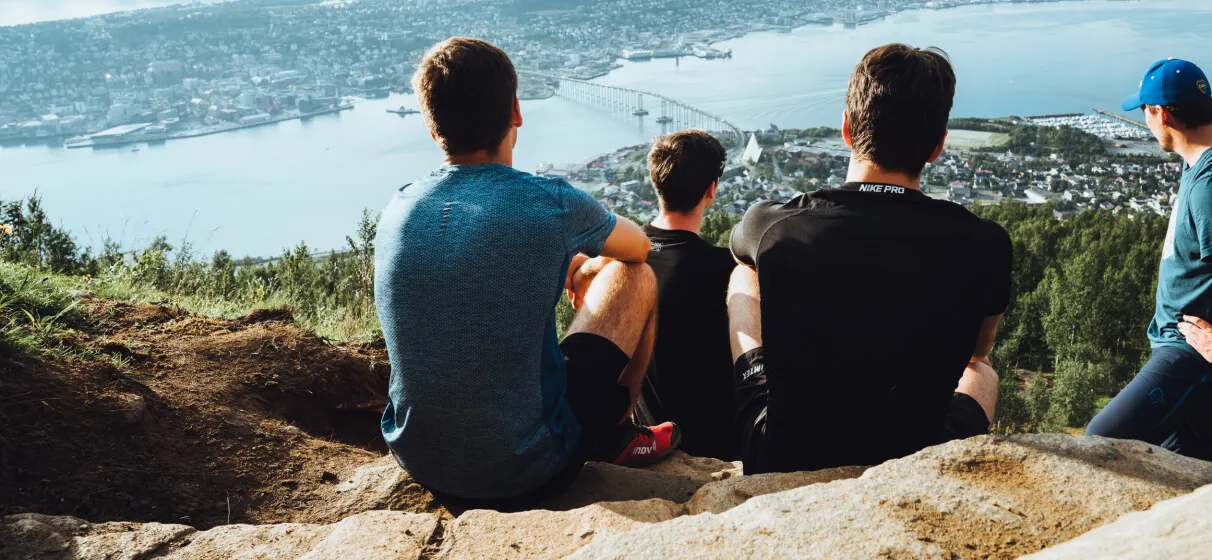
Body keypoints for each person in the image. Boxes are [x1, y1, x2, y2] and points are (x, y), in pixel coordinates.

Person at [373, 37, 679, 510]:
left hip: (420, 459)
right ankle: (619, 434)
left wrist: (569, 264)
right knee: (637, 276)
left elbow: (482, 260)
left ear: (434, 129)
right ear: (516, 111)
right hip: (526, 473)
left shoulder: (400, 205)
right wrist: (589, 264)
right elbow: (639, 246)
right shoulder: (549, 204)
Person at [726, 44, 1011, 475]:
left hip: (782, 457)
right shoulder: (987, 243)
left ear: (846, 129)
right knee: (983, 373)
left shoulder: (773, 225)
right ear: (937, 147)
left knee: (744, 271)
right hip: (916, 455)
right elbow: (979, 349)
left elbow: (738, 248)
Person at [1086, 58, 1212, 467]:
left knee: (1099, 444)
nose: (1148, 122)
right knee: (1195, 463)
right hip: (1192, 351)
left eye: (1145, 112)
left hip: (1190, 356)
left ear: (1163, 114)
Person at [627, 129, 739, 460]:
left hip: (647, 431)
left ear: (655, 181)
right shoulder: (727, 271)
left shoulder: (623, 260)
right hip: (715, 442)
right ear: (711, 190)